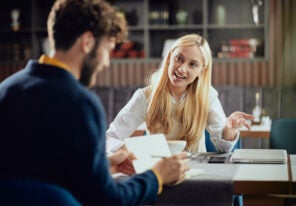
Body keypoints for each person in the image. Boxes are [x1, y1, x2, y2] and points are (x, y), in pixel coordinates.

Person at [0, 0, 189, 205]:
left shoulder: (7, 89)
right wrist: (157, 176)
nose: (106, 62)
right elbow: (108, 200)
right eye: (108, 49)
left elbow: (34, 174)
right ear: (87, 42)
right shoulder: (81, 103)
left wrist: (102, 167)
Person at [106, 33, 254, 153]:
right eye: (179, 59)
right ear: (169, 58)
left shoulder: (207, 96)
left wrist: (229, 127)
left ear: (201, 71)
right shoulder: (145, 96)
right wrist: (128, 150)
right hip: (158, 176)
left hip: (197, 177)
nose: (182, 68)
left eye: (192, 64)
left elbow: (224, 149)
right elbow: (110, 138)